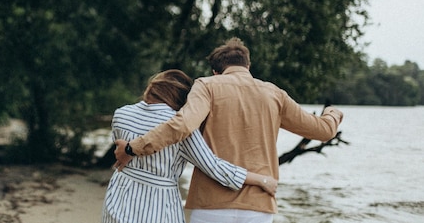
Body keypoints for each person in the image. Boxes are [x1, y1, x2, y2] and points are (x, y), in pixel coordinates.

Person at [114, 38, 344, 223]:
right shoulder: (274, 94)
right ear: (248, 65)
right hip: (258, 207)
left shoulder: (207, 86)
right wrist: (333, 113)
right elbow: (323, 131)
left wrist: (133, 148)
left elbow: (182, 125)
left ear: (216, 71)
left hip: (211, 205)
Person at [102, 69, 277, 223]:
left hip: (120, 196)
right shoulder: (181, 128)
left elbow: (124, 149)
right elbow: (213, 166)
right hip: (159, 204)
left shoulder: (121, 114)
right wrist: (261, 180)